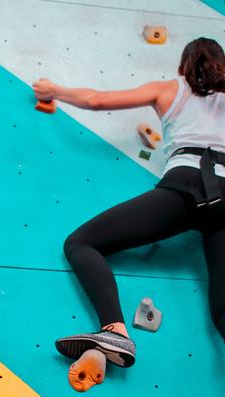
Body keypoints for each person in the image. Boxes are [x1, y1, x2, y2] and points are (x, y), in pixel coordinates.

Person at [33, 37, 225, 368]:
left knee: (81, 243)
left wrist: (53, 90)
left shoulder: (171, 88)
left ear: (183, 66)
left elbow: (96, 100)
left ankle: (115, 331)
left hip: (186, 185)